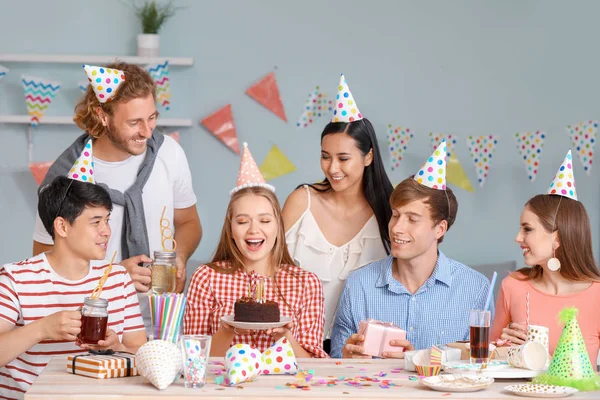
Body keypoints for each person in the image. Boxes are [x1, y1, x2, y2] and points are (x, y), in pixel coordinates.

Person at [32, 62, 201, 327]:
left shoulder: (169, 153)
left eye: (152, 118)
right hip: (96, 322)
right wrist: (114, 275)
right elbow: (44, 265)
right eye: (134, 122)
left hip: (163, 317)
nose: (147, 132)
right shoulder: (66, 177)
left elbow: (189, 222)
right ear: (103, 116)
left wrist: (179, 257)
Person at [330, 141, 493, 358]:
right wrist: (348, 358)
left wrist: (418, 360)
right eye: (395, 215)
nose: (397, 228)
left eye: (412, 219)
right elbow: (337, 362)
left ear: (440, 228)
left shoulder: (475, 289)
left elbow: (481, 365)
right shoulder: (358, 285)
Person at [0, 171, 146, 399]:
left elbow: (140, 352)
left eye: (107, 220)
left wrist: (116, 347)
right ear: (62, 227)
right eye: (95, 222)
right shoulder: (15, 278)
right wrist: (43, 329)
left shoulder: (117, 278)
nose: (106, 231)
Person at [283, 74, 393, 352]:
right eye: (325, 156)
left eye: (343, 158)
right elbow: (267, 268)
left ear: (368, 157)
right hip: (294, 345)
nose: (332, 168)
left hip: (359, 350)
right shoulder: (301, 201)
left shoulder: (389, 212)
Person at [184, 143, 327, 358]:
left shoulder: (305, 283)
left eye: (265, 220)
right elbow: (193, 360)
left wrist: (283, 337)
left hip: (283, 389)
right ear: (231, 229)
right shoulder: (206, 278)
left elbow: (313, 366)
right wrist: (227, 330)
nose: (253, 230)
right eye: (242, 221)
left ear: (278, 226)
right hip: (224, 389)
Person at [491, 151, 600, 368]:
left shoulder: (597, 294)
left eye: (527, 229)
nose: (518, 238)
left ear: (557, 238)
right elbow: (487, 358)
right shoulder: (513, 285)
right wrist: (502, 346)